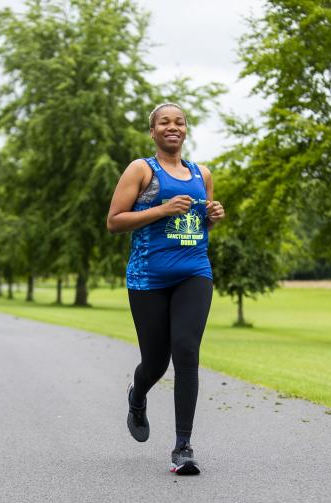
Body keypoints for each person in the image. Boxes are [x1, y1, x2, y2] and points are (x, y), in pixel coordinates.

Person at [106, 102, 225, 475]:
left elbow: (197, 224)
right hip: (148, 278)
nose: (172, 127)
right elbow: (114, 221)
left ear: (186, 130)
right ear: (153, 131)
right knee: (156, 362)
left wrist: (212, 217)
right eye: (164, 122)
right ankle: (137, 396)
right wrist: (161, 209)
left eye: (179, 122)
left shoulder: (200, 173)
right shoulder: (142, 169)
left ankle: (183, 447)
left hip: (194, 271)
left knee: (186, 351)